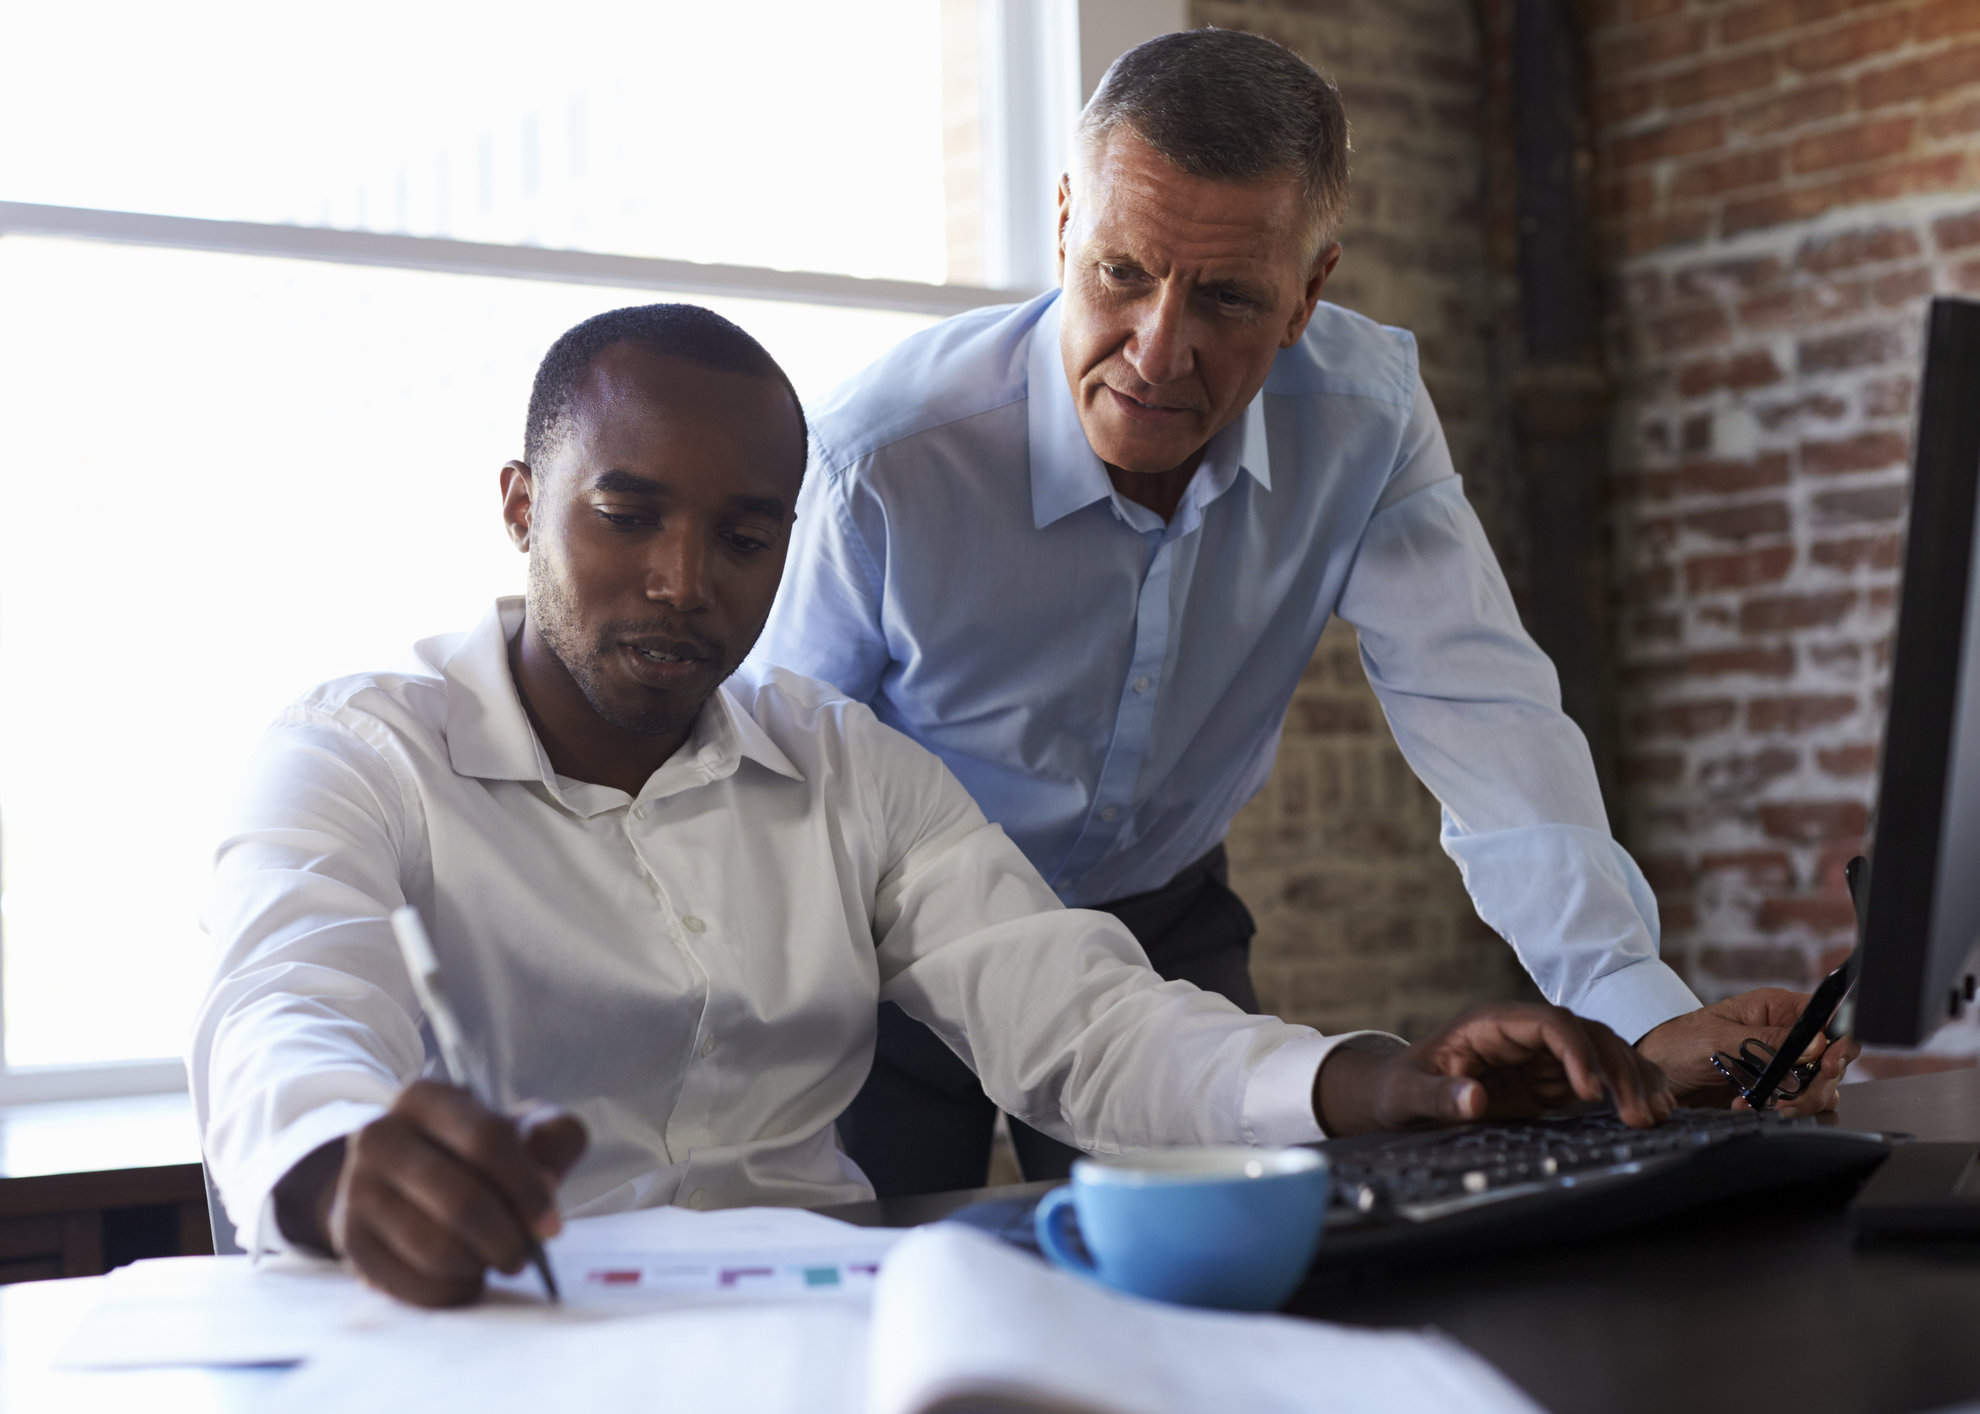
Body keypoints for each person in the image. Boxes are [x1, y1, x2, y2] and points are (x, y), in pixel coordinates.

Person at [191, 303, 1673, 1309]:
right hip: (499, 1340)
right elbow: (280, 1009)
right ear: (523, 502)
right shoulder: (353, 753)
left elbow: (1085, 1022)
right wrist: (337, 1159)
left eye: (744, 534)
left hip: (831, 1352)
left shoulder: (845, 765)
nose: (679, 579)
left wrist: (1393, 1083)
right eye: (624, 512)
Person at [752, 28, 1849, 1193]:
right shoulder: (881, 462)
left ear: (1309, 292)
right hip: (890, 959)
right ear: (1066, 221)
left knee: (1230, 1312)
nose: (1157, 352)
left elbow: (1490, 718)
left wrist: (1631, 1006)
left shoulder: (1366, 418)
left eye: (1225, 296)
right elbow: (774, 793)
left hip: (1158, 939)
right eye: (1121, 272)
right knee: (879, 1317)